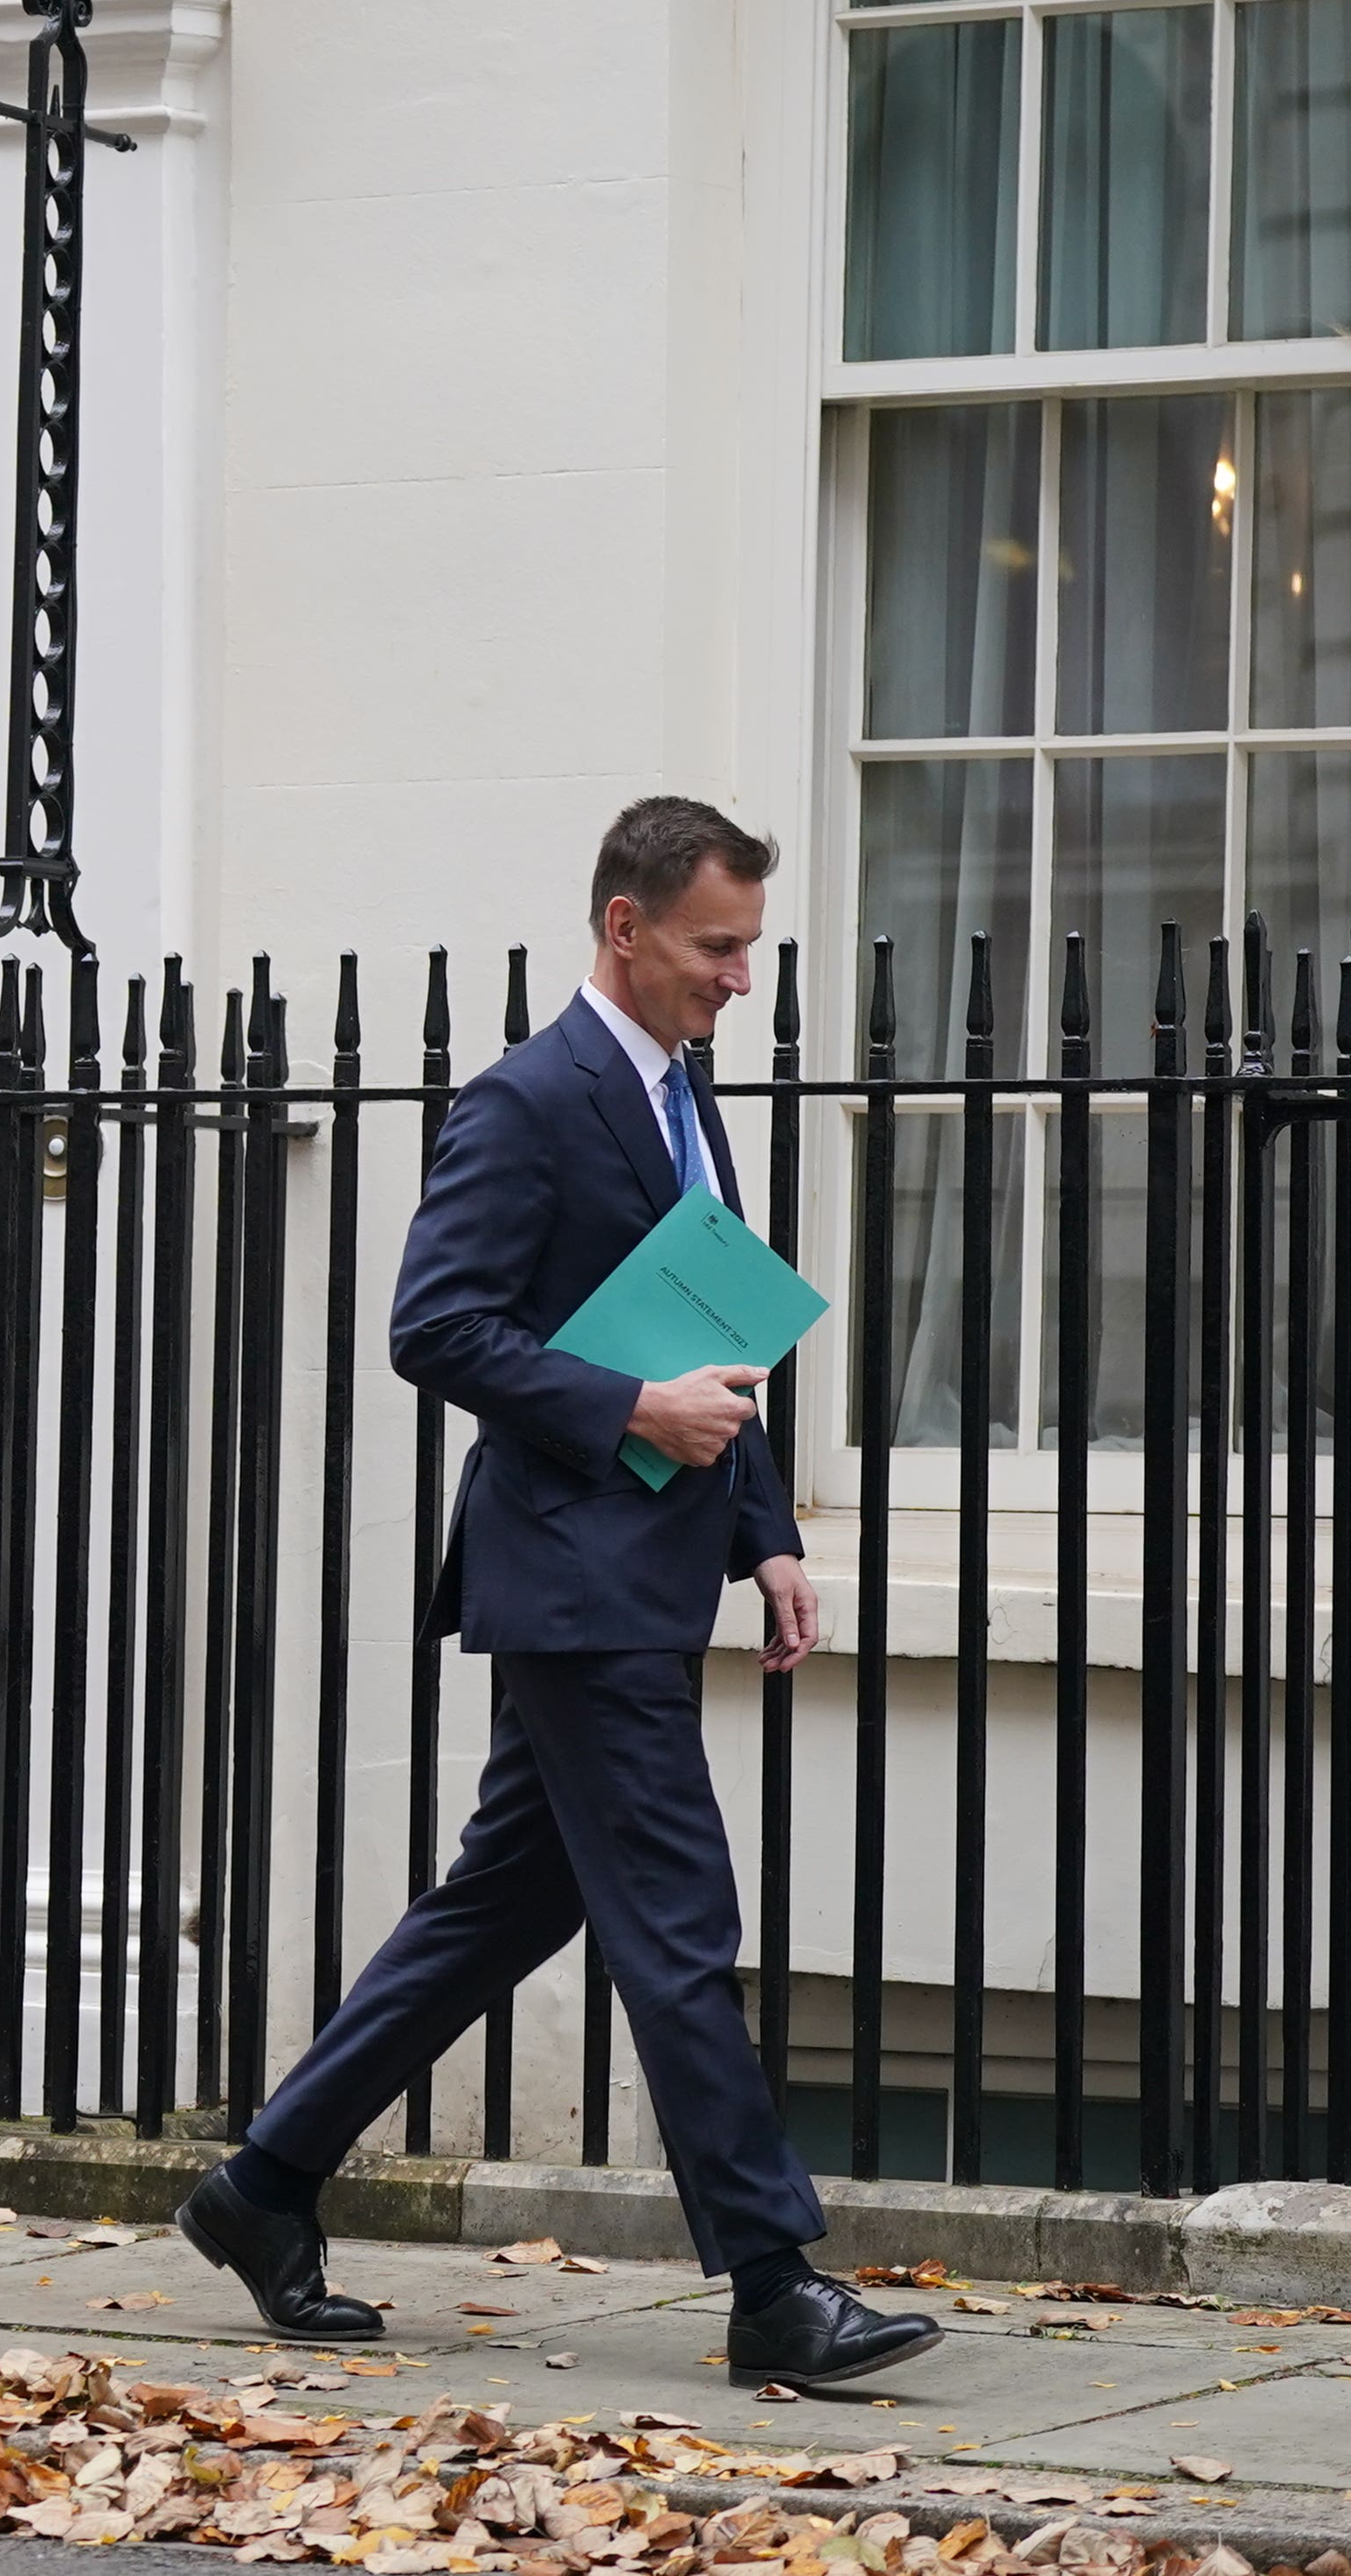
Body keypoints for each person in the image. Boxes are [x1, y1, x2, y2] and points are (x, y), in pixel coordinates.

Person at [175, 795, 937, 2394]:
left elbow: (708, 1326)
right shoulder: (529, 1097)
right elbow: (436, 1326)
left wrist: (762, 1526)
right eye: (718, 945)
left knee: (496, 1909)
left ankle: (263, 2186)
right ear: (626, 927)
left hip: (648, 1565)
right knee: (678, 1918)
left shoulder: (681, 1090)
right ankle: (773, 2282)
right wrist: (628, 1412)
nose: (741, 975)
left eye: (747, 944)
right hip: (573, 1580)